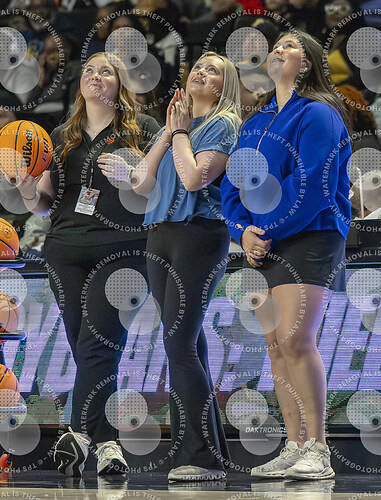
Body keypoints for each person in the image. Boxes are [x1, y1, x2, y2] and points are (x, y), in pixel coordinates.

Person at [13, 51, 160, 476]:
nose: (95, 76)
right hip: (66, 249)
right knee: (85, 347)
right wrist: (25, 185)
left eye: (106, 71)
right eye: (89, 70)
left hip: (124, 249)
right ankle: (105, 443)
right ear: (80, 83)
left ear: (121, 83)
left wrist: (132, 179)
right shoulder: (61, 135)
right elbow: (42, 204)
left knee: (99, 344)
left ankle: (80, 434)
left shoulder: (144, 129)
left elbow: (162, 192)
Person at [101, 52, 241, 481]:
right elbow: (144, 184)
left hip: (198, 234)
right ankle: (205, 453)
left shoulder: (223, 123)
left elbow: (195, 178)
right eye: (198, 66)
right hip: (160, 232)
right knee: (186, 344)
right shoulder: (177, 124)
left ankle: (202, 458)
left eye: (213, 70)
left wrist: (179, 132)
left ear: (224, 87)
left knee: (179, 345)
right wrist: (167, 132)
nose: (201, 72)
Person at [221, 30, 352, 480]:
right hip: (264, 241)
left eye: (290, 46)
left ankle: (319, 448)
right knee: (276, 348)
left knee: (296, 341)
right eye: (275, 45)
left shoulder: (318, 112)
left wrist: (266, 231)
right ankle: (294, 445)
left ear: (309, 62)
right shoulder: (255, 121)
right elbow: (232, 186)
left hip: (310, 233)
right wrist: (242, 231)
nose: (278, 49)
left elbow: (314, 184)